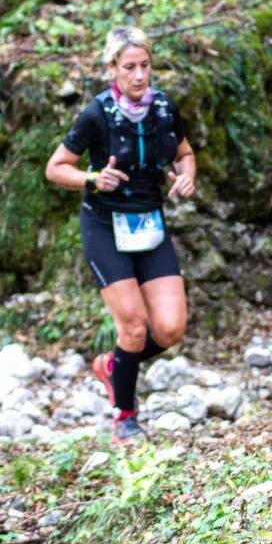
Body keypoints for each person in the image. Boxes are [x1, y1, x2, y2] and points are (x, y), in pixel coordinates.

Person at [45, 27, 197, 445]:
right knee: (132, 326)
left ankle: (114, 367)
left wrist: (186, 178)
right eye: (129, 67)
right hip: (105, 227)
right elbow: (56, 167)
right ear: (112, 69)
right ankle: (125, 418)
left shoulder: (164, 108)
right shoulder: (97, 114)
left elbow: (185, 154)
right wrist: (92, 177)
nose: (139, 75)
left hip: (150, 225)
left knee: (169, 329)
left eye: (144, 65)